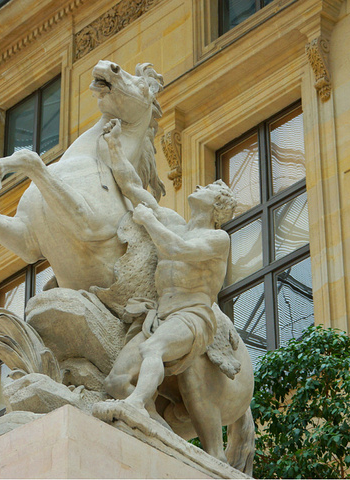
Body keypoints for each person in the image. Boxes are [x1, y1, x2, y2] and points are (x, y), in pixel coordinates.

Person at [101, 119, 237, 417]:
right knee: (115, 382)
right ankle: (157, 430)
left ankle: (136, 404)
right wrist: (113, 144)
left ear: (217, 205)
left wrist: (149, 221)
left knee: (153, 349)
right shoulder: (173, 223)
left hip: (192, 317)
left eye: (208, 187)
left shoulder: (217, 239)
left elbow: (179, 249)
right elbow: (132, 186)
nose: (199, 185)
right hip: (159, 317)